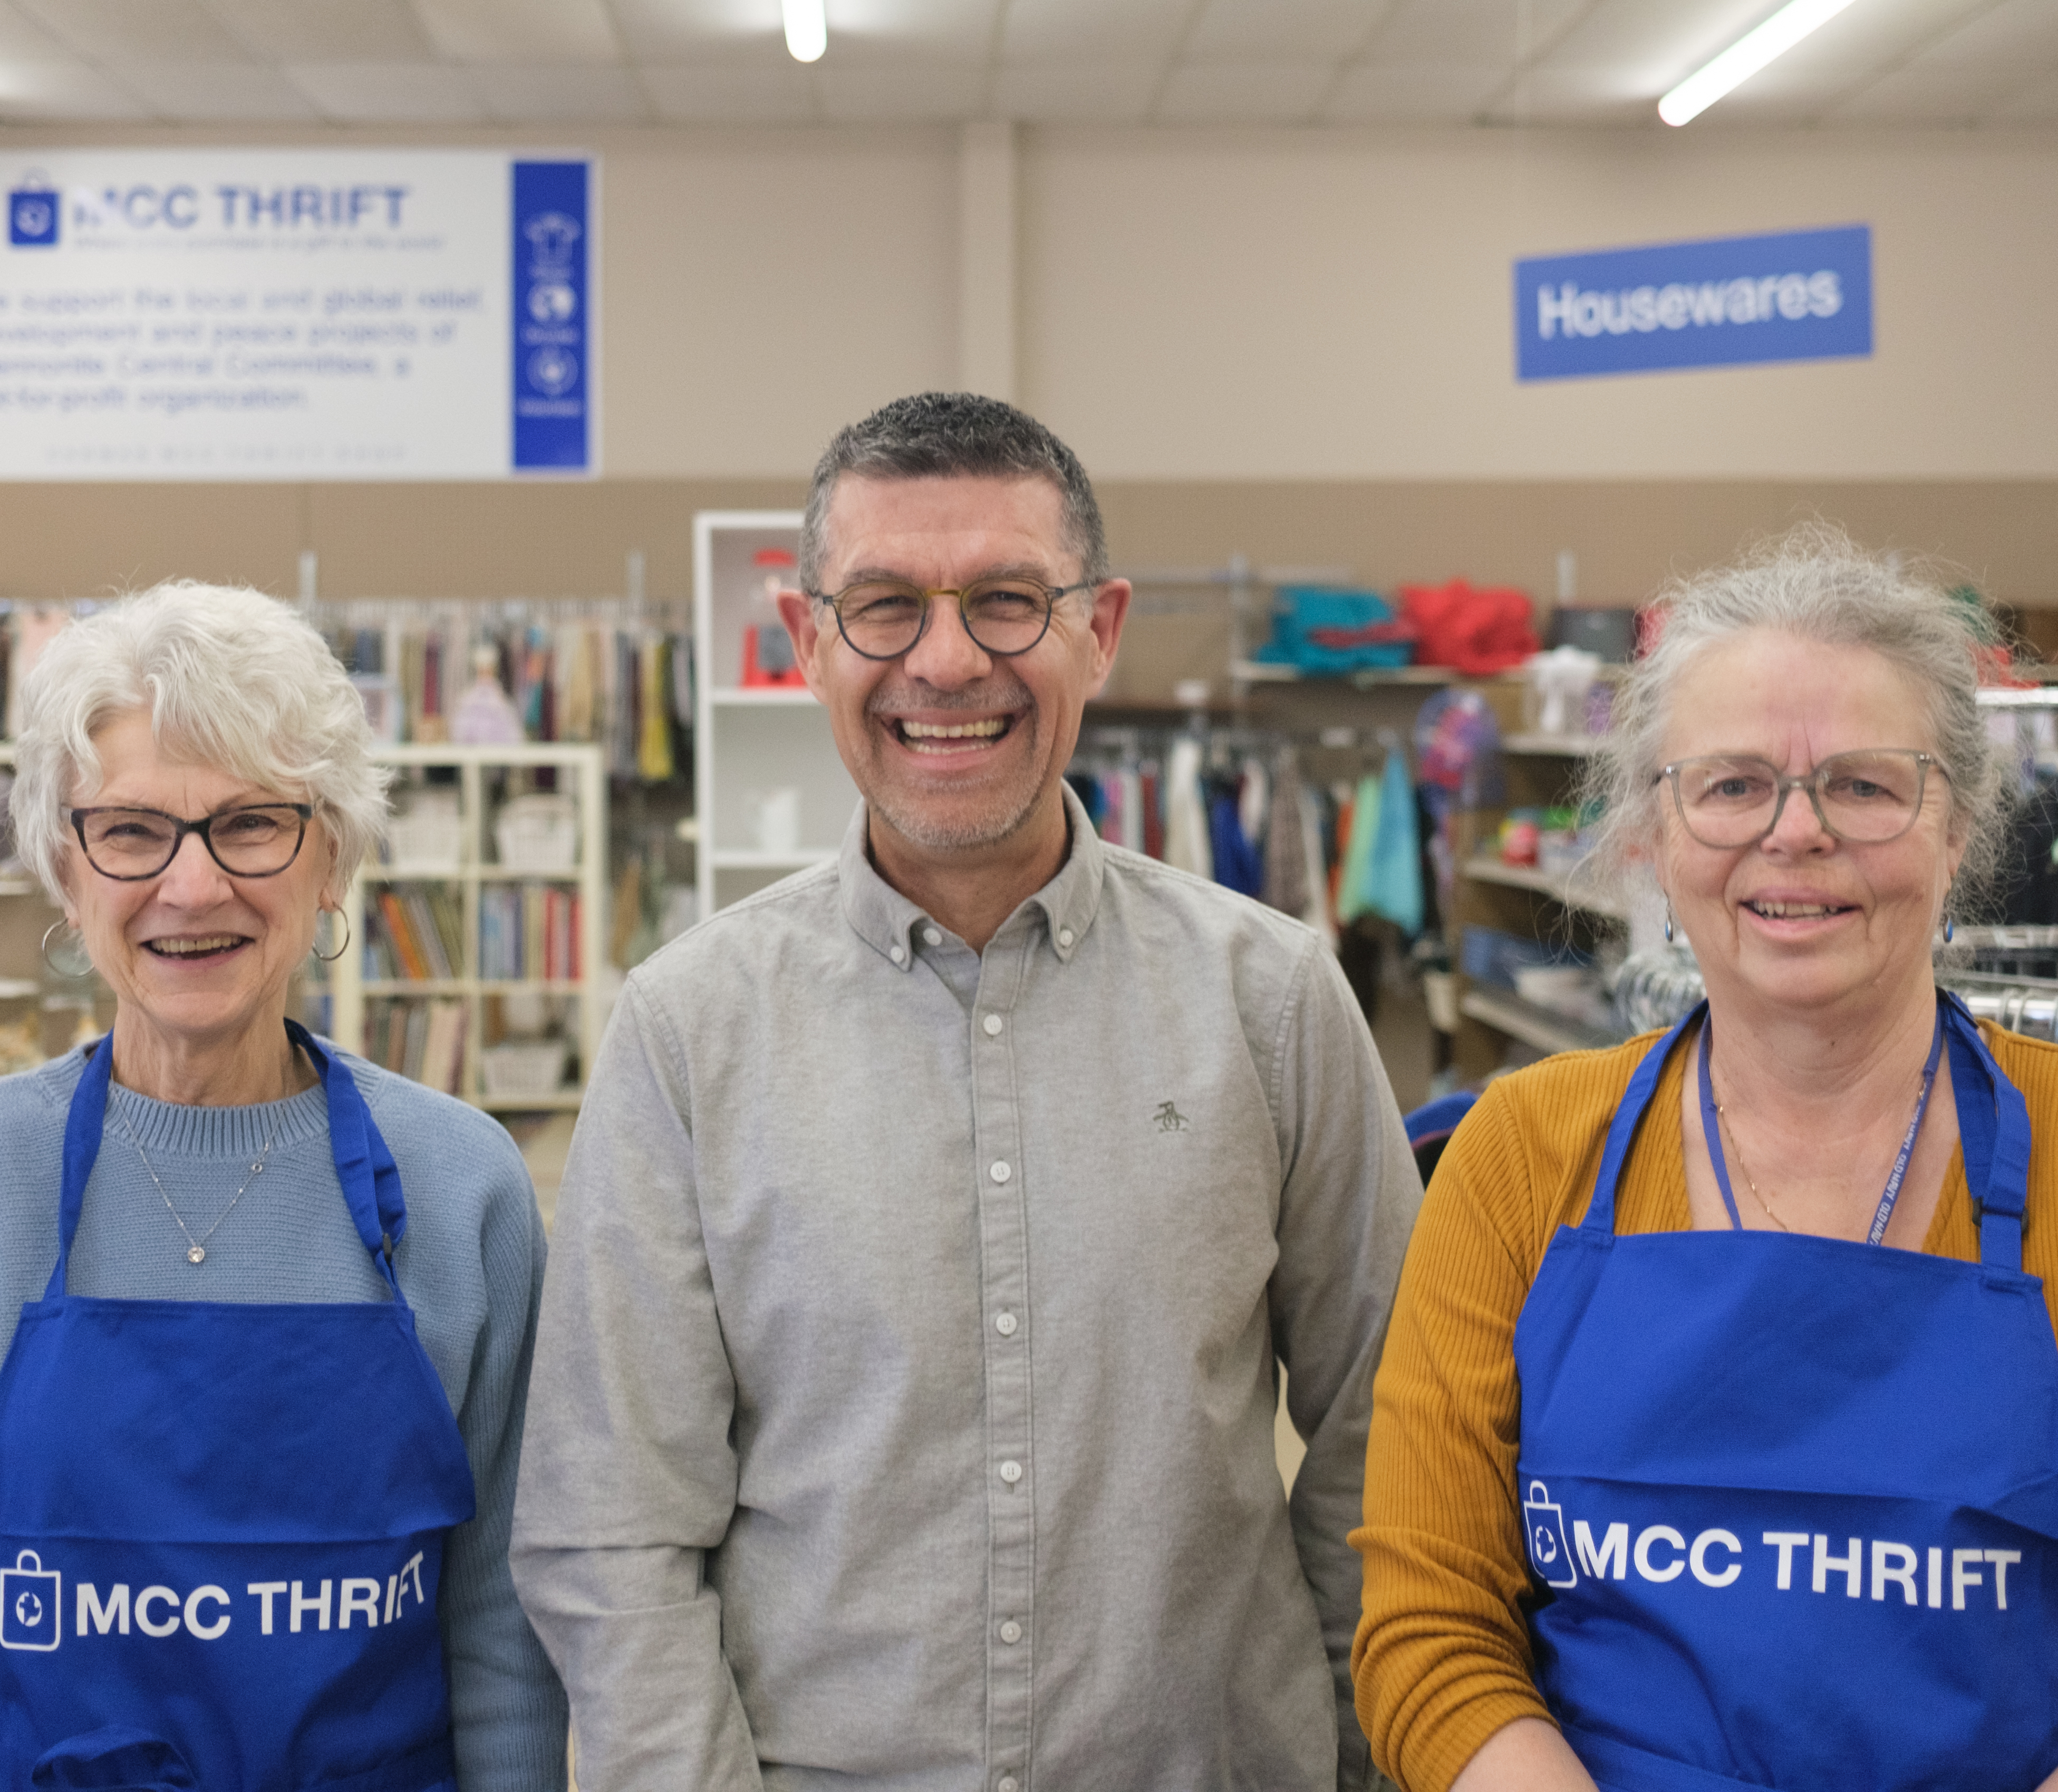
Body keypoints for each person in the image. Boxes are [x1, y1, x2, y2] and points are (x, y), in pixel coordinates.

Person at [514, 392, 1422, 1788]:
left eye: (1008, 600)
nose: (945, 663)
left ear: (1099, 628)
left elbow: (1394, 1451)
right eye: (882, 606)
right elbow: (613, 1521)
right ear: (807, 635)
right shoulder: (690, 1031)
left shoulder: (1275, 999)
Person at [1353, 528, 2058, 1792]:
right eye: (1730, 786)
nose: (1796, 834)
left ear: (1961, 828)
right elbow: (1432, 1630)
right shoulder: (1518, 1154)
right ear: (1650, 833)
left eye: (1867, 786)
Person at [0, 581, 565, 1791]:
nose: (192, 888)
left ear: (333, 856)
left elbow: (505, 1649)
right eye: (133, 831)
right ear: (63, 867)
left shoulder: (465, 1193)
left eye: (251, 824)